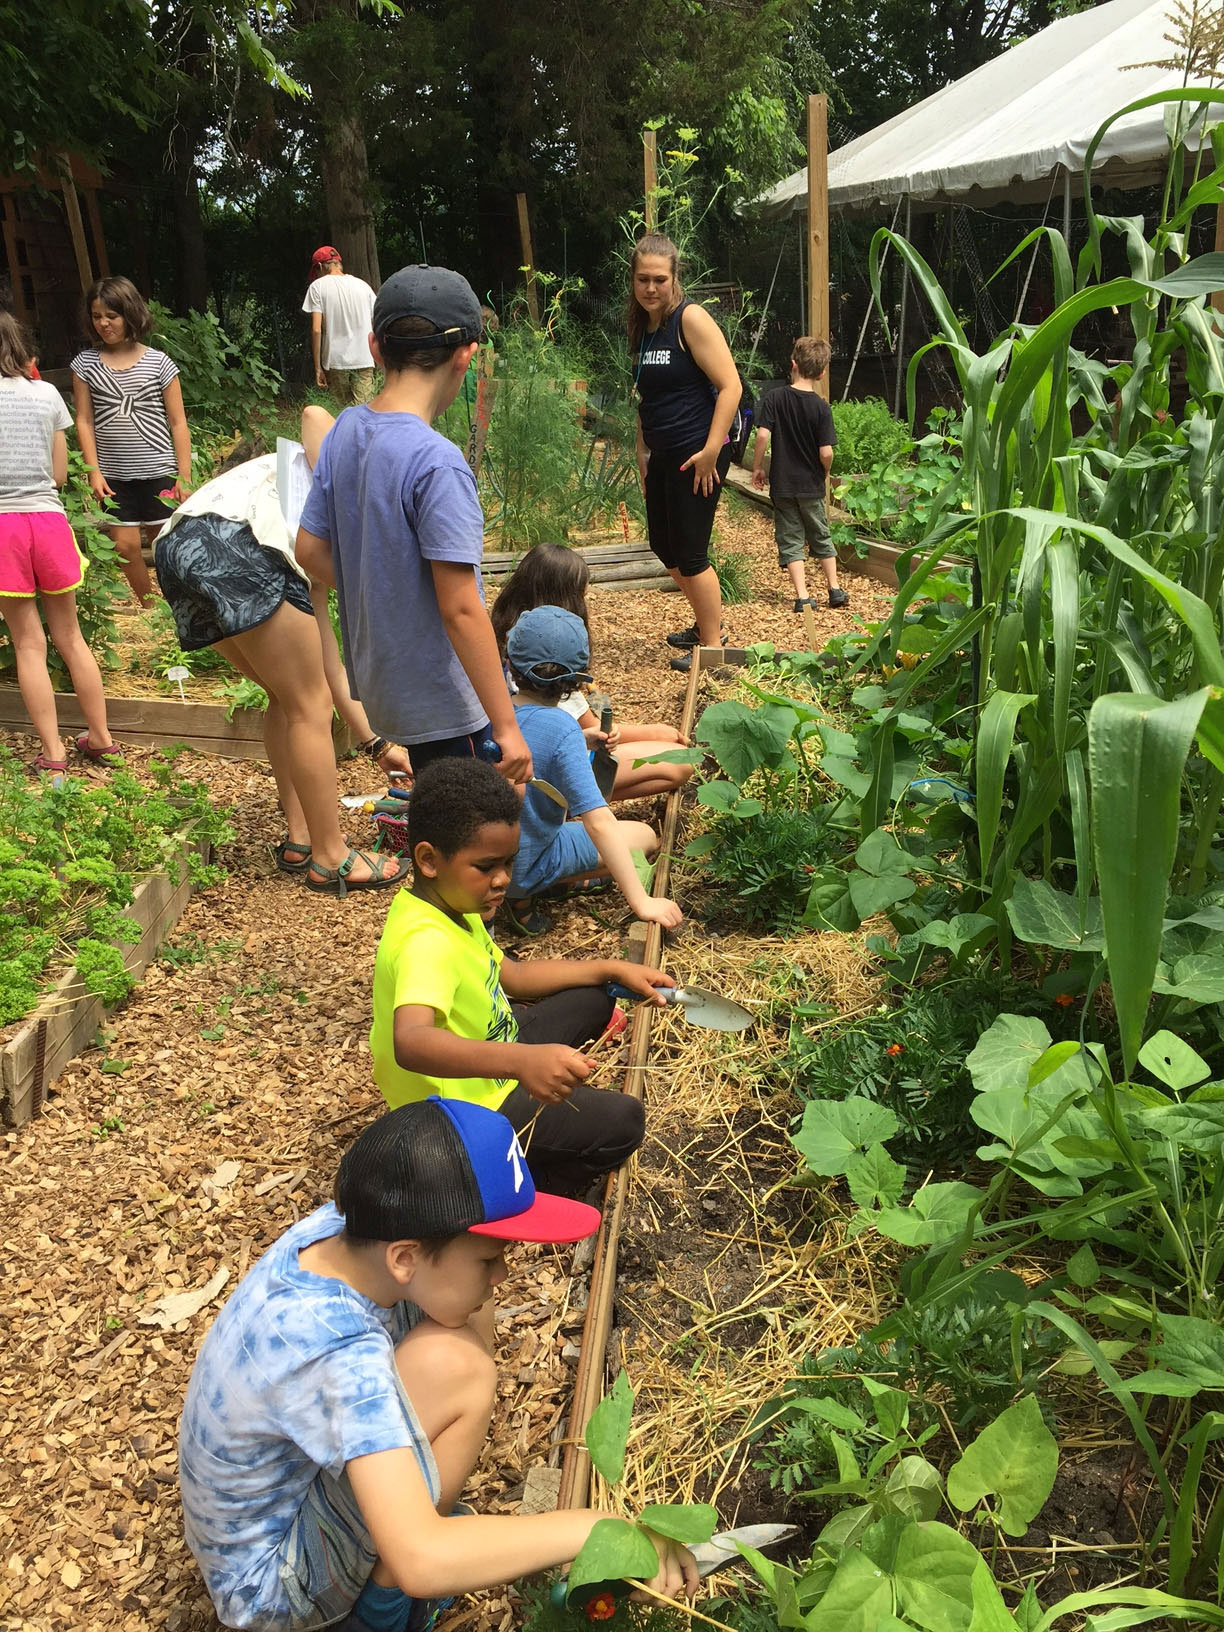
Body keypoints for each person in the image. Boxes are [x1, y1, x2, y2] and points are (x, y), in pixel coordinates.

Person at [180, 1094, 699, 1632]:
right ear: (405, 1256)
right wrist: (601, 1528)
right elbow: (422, 1561)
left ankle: (392, 1542)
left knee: (459, 1320)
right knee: (460, 1367)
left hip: (258, 1521)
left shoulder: (346, 1230)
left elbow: (451, 1293)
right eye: (488, 1258)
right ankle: (378, 1613)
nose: (503, 1274)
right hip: (272, 1587)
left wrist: (471, 1275)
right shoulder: (337, 1353)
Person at [371, 758, 673, 1194]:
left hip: (491, 1051)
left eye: (509, 863)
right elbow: (412, 1042)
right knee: (624, 1122)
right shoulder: (426, 942)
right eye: (487, 867)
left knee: (595, 995)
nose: (503, 880)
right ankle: (536, 1183)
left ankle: (531, 1119)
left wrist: (609, 968)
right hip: (460, 1111)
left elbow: (511, 975)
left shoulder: (453, 905)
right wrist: (523, 1062)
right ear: (429, 860)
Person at [296, 264, 531, 785]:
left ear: (377, 349)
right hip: (447, 702)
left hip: (386, 687)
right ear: (465, 355)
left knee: (441, 822)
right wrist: (506, 724)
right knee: (470, 840)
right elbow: (462, 608)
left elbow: (309, 550)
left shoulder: (347, 431)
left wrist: (382, 595)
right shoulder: (437, 463)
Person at [155, 455, 410, 896]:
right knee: (310, 706)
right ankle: (332, 860)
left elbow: (326, 659)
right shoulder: (360, 496)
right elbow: (327, 674)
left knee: (287, 695)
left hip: (178, 542)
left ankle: (301, 838)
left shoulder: (318, 478)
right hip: (241, 544)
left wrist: (377, 745)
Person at [504, 606, 683, 931]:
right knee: (646, 837)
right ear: (575, 682)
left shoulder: (493, 710)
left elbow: (533, 746)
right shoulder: (561, 728)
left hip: (486, 866)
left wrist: (583, 740)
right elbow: (599, 822)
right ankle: (537, 888)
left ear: (511, 662)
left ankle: (525, 891)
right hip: (526, 866)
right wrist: (642, 902)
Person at [0, 312, 121, 779]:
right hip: (48, 522)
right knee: (71, 638)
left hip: (4, 528)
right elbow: (59, 474)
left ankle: (53, 754)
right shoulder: (47, 394)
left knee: (29, 645)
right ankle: (102, 740)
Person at [489, 543, 693, 802]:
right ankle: (571, 804)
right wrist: (660, 731)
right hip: (551, 766)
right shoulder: (552, 657)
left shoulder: (512, 636)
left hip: (531, 756)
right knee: (680, 762)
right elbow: (594, 727)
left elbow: (589, 710)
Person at [629, 233, 741, 674]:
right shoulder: (644, 326)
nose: (651, 288)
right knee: (664, 545)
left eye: (659, 279)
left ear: (675, 278)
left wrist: (713, 450)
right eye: (643, 279)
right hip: (662, 453)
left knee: (691, 554)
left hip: (698, 453)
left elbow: (731, 386)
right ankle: (704, 624)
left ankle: (713, 651)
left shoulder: (689, 319)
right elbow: (645, 396)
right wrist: (642, 451)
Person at [71, 275, 192, 607]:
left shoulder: (159, 363)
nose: (104, 324)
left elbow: (178, 422)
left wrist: (184, 476)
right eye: (97, 317)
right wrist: (94, 472)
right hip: (113, 476)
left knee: (164, 543)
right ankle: (149, 606)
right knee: (124, 547)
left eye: (112, 316)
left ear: (130, 314)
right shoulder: (85, 365)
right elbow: (84, 420)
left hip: (159, 471)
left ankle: (177, 605)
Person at [751, 337, 849, 613]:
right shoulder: (821, 407)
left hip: (783, 484)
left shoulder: (775, 398)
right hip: (811, 485)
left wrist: (758, 466)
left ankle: (803, 596)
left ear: (793, 364)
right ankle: (834, 589)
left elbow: (761, 436)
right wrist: (825, 471)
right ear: (822, 373)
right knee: (820, 533)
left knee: (791, 538)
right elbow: (827, 453)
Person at [301, 246, 378, 405]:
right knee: (364, 411)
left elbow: (316, 329)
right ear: (338, 263)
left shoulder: (318, 286)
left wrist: (318, 368)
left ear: (320, 267)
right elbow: (376, 322)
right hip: (365, 356)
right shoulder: (363, 286)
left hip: (336, 360)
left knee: (341, 411)